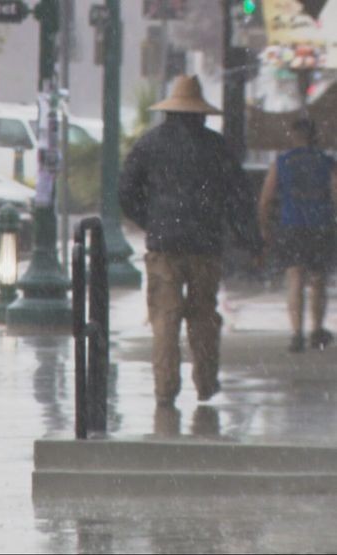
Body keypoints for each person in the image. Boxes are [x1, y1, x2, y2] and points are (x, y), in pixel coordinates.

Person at [119, 75, 263, 407]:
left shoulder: (149, 144)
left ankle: (166, 387)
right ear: (200, 113)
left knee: (165, 319)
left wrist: (152, 220)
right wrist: (250, 241)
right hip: (205, 245)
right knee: (203, 316)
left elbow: (126, 191)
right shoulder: (217, 147)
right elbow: (239, 197)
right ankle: (206, 382)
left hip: (165, 246)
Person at [257, 118, 337, 353]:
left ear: (293, 136)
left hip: (292, 226)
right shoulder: (326, 162)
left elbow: (266, 198)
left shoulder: (282, 162)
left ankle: (296, 334)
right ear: (315, 136)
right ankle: (316, 330)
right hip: (320, 226)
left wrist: (264, 227)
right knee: (319, 280)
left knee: (295, 278)